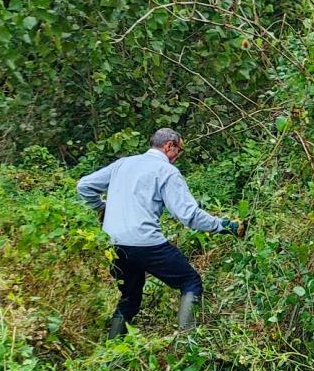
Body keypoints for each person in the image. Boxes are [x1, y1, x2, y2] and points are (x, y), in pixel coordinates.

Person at [77, 128, 243, 339]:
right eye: (179, 151)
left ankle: (111, 351)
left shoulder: (123, 164)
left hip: (114, 244)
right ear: (169, 146)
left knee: (129, 296)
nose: (178, 157)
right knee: (190, 282)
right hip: (145, 243)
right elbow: (188, 215)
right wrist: (223, 225)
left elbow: (84, 185)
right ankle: (187, 341)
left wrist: (102, 208)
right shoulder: (166, 171)